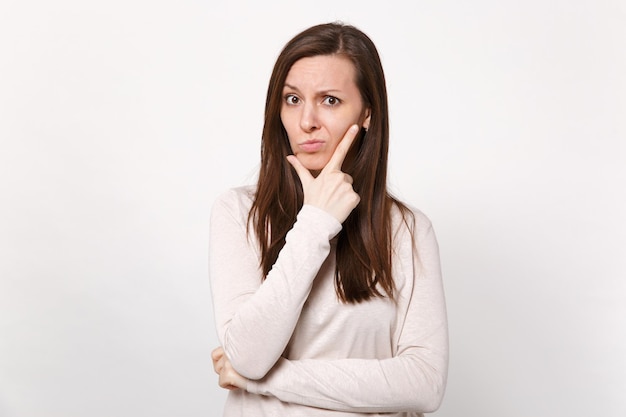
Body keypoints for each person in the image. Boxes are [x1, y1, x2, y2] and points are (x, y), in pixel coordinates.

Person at [209, 22, 448, 417]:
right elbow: (249, 355)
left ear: (367, 112)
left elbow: (425, 383)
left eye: (330, 101)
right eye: (292, 99)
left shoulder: (406, 229)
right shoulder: (239, 213)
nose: (307, 122)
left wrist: (265, 381)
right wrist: (315, 222)